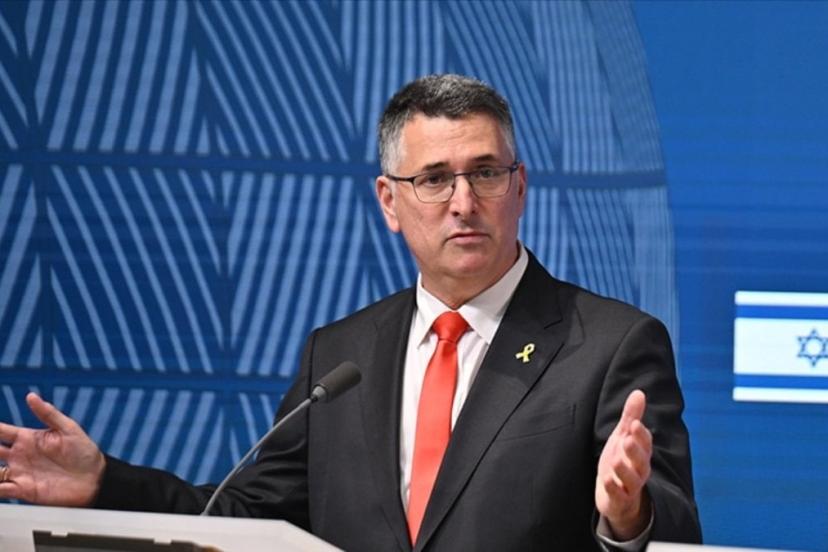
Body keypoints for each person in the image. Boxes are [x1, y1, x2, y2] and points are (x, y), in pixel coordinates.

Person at [0, 74, 701, 551]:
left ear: (520, 187)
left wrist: (627, 515)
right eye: (434, 179)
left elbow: (677, 534)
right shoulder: (340, 356)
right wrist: (105, 484)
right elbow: (243, 520)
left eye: (485, 173)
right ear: (389, 202)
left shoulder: (609, 345)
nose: (463, 202)